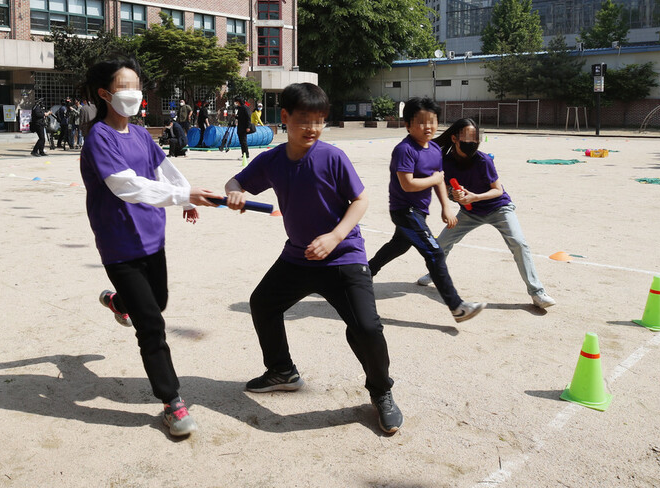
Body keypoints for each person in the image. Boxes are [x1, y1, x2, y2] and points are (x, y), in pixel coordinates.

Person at [223, 82, 404, 435]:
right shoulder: (272, 160)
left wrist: (335, 236)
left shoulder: (331, 157)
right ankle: (282, 371)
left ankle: (381, 391)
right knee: (263, 303)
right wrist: (234, 193)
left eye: (319, 120)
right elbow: (236, 181)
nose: (312, 128)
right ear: (285, 117)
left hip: (344, 256)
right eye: (304, 120)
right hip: (299, 256)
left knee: (366, 328)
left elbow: (361, 201)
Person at [79, 56, 221, 437]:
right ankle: (172, 403)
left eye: (137, 86)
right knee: (152, 324)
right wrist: (181, 195)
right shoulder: (99, 138)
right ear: (105, 94)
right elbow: (128, 186)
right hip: (118, 245)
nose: (134, 93)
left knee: (156, 303)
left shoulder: (141, 134)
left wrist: (187, 198)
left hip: (152, 238)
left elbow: (163, 171)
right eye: (126, 87)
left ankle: (118, 302)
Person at [414, 118, 556, 309]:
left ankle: (538, 293)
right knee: (441, 244)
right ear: (455, 138)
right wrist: (455, 195)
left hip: (499, 208)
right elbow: (447, 189)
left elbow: (497, 190)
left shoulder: (483, 160)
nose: (472, 142)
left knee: (519, 243)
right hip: (470, 212)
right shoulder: (445, 162)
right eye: (467, 137)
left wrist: (474, 197)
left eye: (475, 138)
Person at [367, 97, 485, 323]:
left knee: (397, 247)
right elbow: (408, 184)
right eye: (421, 122)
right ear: (408, 125)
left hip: (419, 211)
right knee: (435, 252)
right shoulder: (404, 150)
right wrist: (433, 179)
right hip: (404, 210)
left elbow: (440, 181)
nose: (428, 126)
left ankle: (362, 275)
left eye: (432, 121)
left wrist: (446, 208)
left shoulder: (433, 149)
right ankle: (457, 307)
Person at [233, 96, 252, 161]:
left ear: (238, 101)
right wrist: (236, 117)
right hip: (240, 127)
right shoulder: (240, 108)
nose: (236, 103)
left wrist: (248, 127)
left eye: (236, 102)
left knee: (244, 141)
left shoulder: (245, 108)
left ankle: (246, 155)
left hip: (244, 127)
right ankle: (243, 154)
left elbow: (248, 117)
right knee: (241, 142)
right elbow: (240, 117)